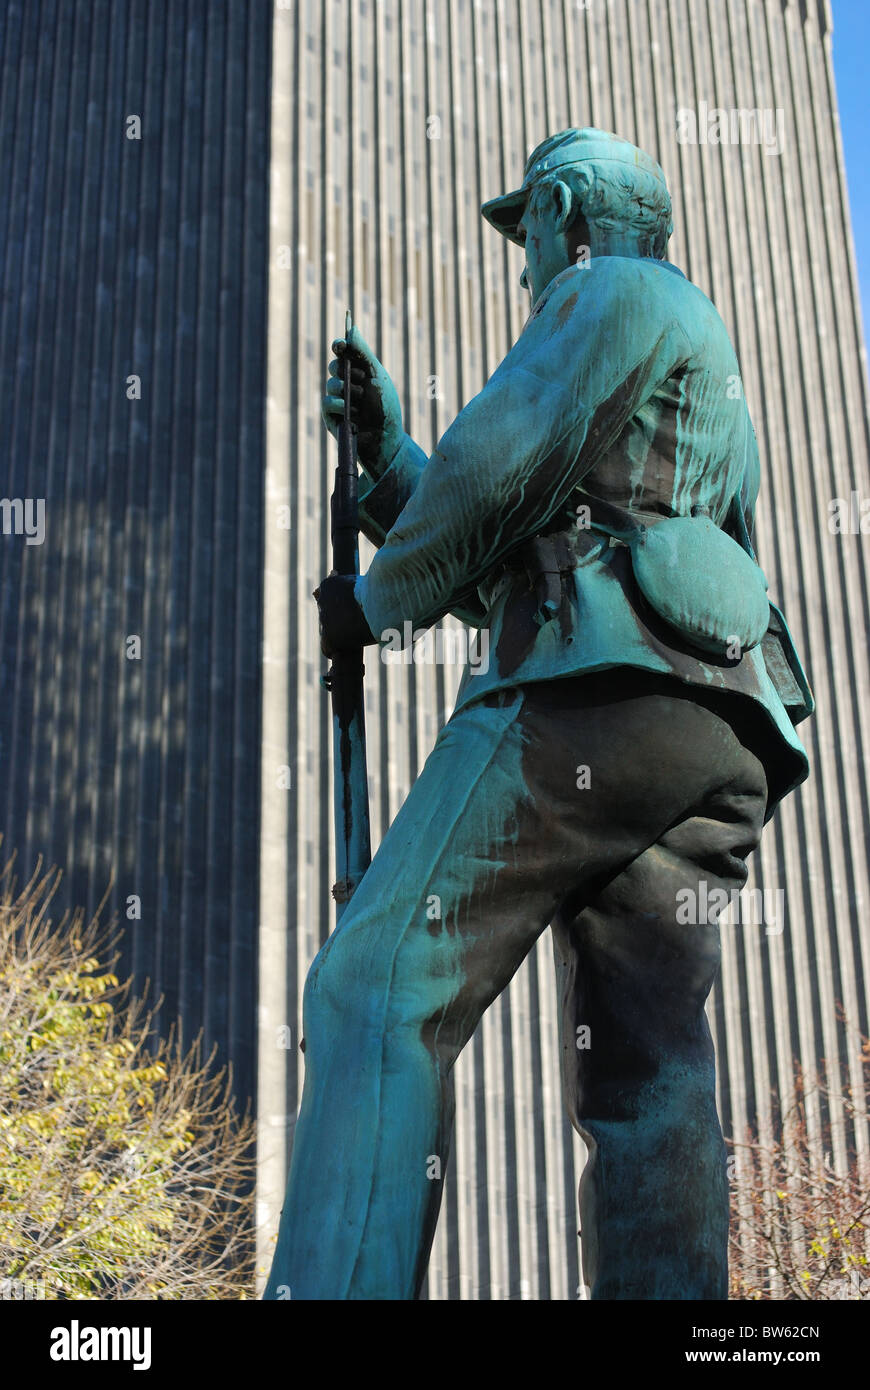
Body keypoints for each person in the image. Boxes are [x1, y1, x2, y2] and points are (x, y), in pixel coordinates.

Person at [264, 128, 813, 1301]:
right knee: (652, 1072)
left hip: (588, 702)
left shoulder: (605, 290)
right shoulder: (701, 354)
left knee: (374, 985)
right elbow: (525, 547)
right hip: (713, 739)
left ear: (566, 211)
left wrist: (370, 604)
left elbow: (498, 467)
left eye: (528, 238)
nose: (525, 268)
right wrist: (382, 466)